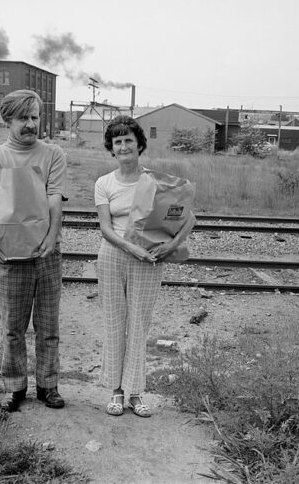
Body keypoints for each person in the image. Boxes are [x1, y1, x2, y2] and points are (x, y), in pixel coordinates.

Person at [94, 115, 196, 417]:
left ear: (139, 145)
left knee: (139, 324)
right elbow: (105, 228)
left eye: (129, 140)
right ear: (111, 148)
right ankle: (116, 391)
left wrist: (172, 245)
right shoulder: (104, 183)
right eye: (117, 142)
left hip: (149, 259)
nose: (123, 146)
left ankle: (135, 392)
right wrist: (131, 248)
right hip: (113, 256)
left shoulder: (156, 181)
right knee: (114, 323)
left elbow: (189, 218)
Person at [0, 89, 67, 412]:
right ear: (7, 120)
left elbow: (54, 200)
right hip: (10, 256)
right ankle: (15, 388)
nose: (30, 124)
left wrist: (52, 238)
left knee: (48, 326)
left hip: (46, 254)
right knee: (13, 328)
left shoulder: (53, 155)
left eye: (35, 117)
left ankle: (48, 386)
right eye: (23, 118)